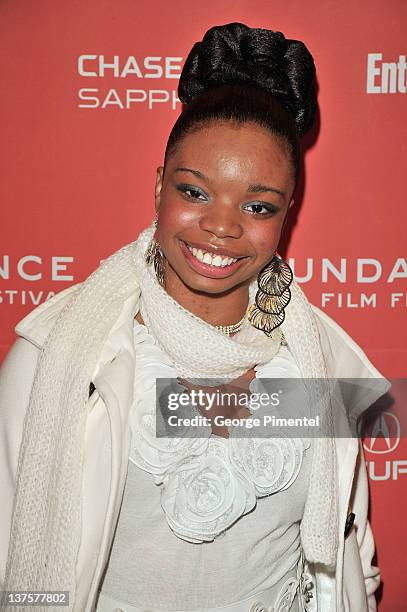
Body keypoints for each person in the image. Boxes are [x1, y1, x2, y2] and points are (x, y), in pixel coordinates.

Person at [0, 22, 391, 612]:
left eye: (258, 205)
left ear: (287, 214)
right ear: (160, 186)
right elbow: (13, 554)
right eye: (196, 191)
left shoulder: (319, 360)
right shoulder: (56, 355)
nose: (223, 227)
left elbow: (349, 549)